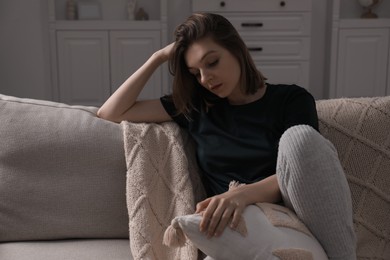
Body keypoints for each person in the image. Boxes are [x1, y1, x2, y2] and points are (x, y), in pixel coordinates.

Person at [98, 13, 356, 260]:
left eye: (212, 62)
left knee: (299, 139)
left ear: (236, 49)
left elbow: (303, 170)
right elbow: (111, 112)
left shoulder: (291, 99)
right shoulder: (197, 109)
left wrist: (240, 195)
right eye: (195, 72)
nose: (205, 78)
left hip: (289, 216)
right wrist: (158, 57)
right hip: (233, 228)